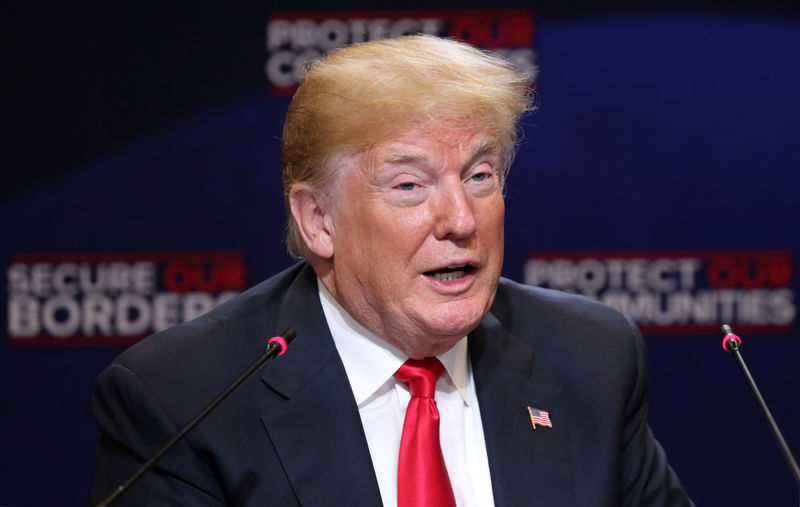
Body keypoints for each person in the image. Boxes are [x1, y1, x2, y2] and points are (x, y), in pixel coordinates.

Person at [91, 34, 693, 506]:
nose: (461, 218)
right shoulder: (186, 398)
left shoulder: (590, 355)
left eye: (480, 176)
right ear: (319, 220)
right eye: (410, 185)